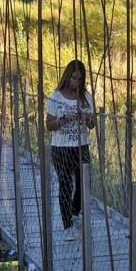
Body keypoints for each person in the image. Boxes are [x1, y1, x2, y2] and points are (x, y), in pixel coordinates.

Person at [46, 60, 96, 241]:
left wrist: (86, 118)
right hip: (61, 148)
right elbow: (49, 126)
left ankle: (75, 212)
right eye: (74, 78)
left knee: (84, 183)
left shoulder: (87, 98)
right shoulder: (55, 97)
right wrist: (65, 118)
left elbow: (92, 125)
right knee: (65, 185)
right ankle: (67, 225)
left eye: (80, 79)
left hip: (81, 146)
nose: (77, 82)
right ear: (68, 77)